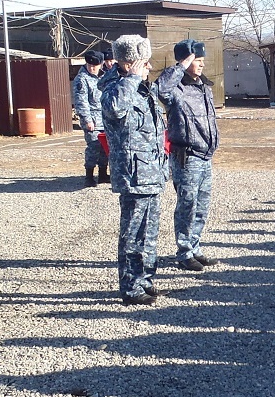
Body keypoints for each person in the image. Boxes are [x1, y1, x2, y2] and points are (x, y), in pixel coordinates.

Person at [100, 35, 167, 306]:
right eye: (144, 62)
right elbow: (114, 109)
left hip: (151, 171)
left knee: (149, 231)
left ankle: (145, 279)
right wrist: (131, 79)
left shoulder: (140, 88)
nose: (149, 67)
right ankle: (130, 286)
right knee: (133, 232)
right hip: (133, 173)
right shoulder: (115, 87)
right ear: (129, 63)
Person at [156, 39, 220, 272]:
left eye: (202, 60)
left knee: (201, 206)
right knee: (187, 206)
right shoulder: (175, 89)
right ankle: (184, 252)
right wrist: (181, 67)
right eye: (196, 61)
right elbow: (159, 89)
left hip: (205, 156)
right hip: (187, 156)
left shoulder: (204, 87)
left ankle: (195, 248)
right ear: (184, 61)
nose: (201, 65)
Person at [72, 49, 108, 187]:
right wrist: (87, 120)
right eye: (89, 65)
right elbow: (81, 101)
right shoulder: (82, 79)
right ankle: (89, 176)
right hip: (92, 119)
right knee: (93, 147)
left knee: (105, 147)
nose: (92, 68)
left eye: (95, 66)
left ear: (101, 64)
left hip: (105, 119)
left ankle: (103, 174)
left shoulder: (103, 77)